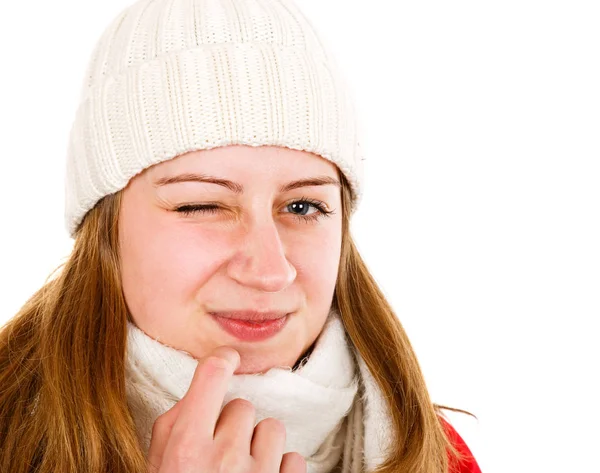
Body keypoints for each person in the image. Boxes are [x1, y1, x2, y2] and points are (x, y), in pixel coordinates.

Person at [0, 0, 482, 472]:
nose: (270, 271)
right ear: (105, 229)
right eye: (202, 206)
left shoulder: (434, 455)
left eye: (303, 206)